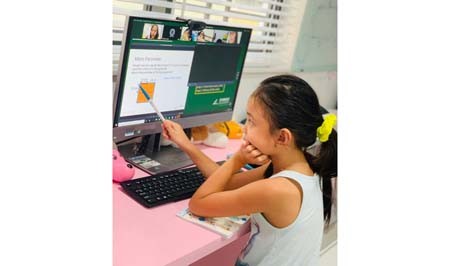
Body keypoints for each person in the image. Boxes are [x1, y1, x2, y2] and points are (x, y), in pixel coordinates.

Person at [161, 74, 337, 266]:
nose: (244, 127)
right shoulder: (303, 165)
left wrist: (237, 160)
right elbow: (224, 181)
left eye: (251, 121)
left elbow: (198, 204)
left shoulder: (277, 189)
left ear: (282, 137)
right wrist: (186, 144)